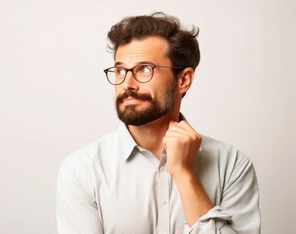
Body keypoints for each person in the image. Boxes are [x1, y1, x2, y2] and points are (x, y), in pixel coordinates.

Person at [55, 12, 261, 234]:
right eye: (120, 70)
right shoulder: (81, 171)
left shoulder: (232, 166)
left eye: (144, 69)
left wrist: (184, 174)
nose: (128, 84)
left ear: (183, 80)